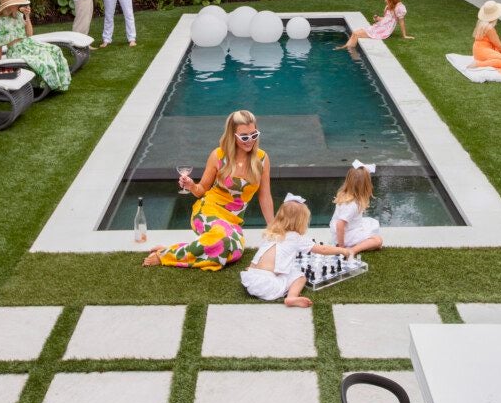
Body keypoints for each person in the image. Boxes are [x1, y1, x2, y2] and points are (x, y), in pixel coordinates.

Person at [142, 109, 274, 270]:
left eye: (254, 135)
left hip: (233, 221)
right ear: (232, 135)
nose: (250, 140)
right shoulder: (218, 156)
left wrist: (272, 227)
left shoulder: (262, 159)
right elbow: (202, 189)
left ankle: (174, 249)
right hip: (208, 210)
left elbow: (265, 196)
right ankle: (164, 255)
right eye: (244, 137)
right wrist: (191, 185)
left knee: (235, 253)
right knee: (222, 240)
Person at [240, 194, 348, 308]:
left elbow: (259, 255)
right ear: (301, 222)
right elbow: (323, 249)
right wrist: (342, 250)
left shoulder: (271, 233)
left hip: (251, 279)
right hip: (268, 287)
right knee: (300, 276)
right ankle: (291, 297)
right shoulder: (295, 237)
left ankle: (285, 291)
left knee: (284, 268)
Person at [0, 0, 71, 92]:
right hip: (16, 50)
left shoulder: (18, 14)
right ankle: (51, 84)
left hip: (28, 44)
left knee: (55, 49)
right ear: (8, 6)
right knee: (43, 57)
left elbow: (29, 34)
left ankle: (61, 82)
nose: (19, 5)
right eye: (16, 3)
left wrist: (27, 16)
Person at [330, 161, 384, 255]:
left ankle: (350, 246)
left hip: (348, 230)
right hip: (346, 235)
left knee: (371, 224)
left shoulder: (348, 197)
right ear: (366, 185)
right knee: (377, 240)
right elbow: (340, 225)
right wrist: (341, 248)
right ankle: (351, 250)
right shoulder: (352, 205)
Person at [336, 0, 414, 50]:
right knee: (355, 33)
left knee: (356, 34)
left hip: (384, 30)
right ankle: (346, 47)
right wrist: (378, 18)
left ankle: (351, 52)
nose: (384, 0)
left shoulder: (399, 7)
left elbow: (401, 22)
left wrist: (404, 35)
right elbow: (386, 19)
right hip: (380, 26)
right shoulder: (388, 6)